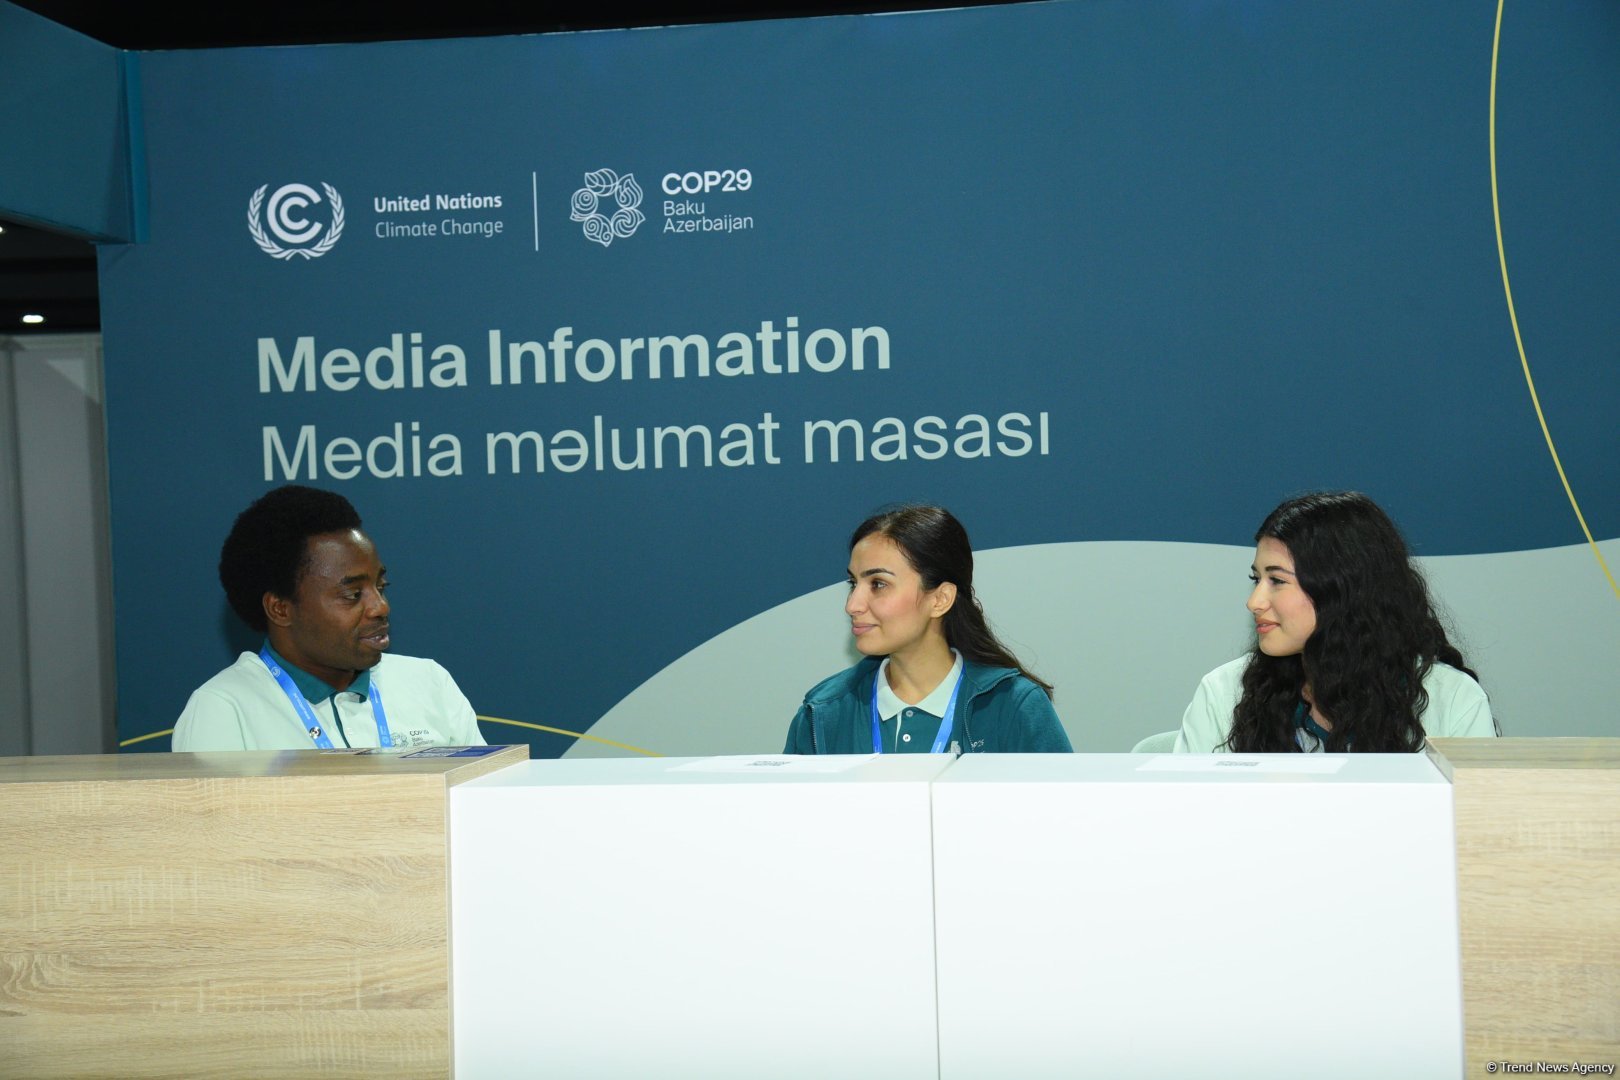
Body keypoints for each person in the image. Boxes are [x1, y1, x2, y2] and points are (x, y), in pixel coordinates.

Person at [1175, 491, 1497, 753]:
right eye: (1256, 578)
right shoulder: (1224, 692)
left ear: (1342, 589)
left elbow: (1479, 823)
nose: (1254, 602)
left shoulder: (1452, 699)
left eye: (1277, 580)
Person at [173, 485, 486, 751]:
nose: (380, 607)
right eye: (353, 594)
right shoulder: (223, 709)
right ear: (281, 609)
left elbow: (484, 809)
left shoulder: (429, 683)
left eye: (380, 586)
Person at [784, 505, 1071, 754]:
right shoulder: (822, 713)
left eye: (878, 584)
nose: (853, 605)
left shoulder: (1013, 706)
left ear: (940, 599)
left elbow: (1064, 814)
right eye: (853, 584)